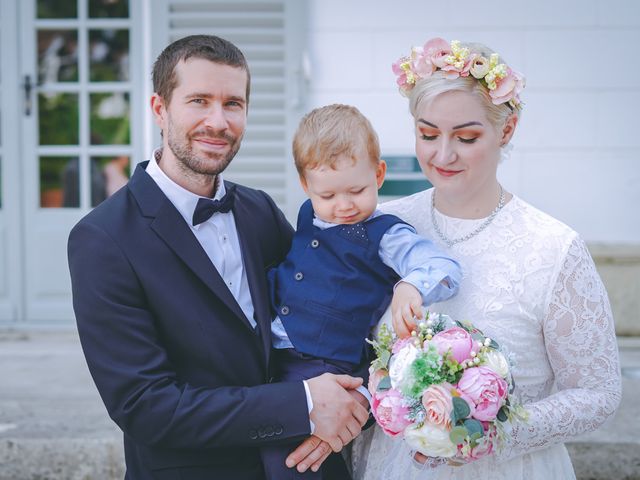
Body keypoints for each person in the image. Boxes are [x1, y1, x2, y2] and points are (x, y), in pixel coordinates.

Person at [67, 34, 369, 480]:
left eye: (233, 104)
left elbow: (334, 306)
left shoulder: (260, 210)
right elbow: (146, 406)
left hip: (307, 464)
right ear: (159, 109)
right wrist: (304, 404)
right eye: (199, 101)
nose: (218, 121)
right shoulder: (102, 238)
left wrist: (355, 398)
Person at [349, 38, 622, 479]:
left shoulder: (552, 247)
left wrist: (490, 433)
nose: (443, 155)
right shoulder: (384, 226)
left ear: (507, 130)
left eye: (467, 136)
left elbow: (598, 393)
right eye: (428, 134)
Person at [260, 104, 462, 479]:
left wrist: (408, 285)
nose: (344, 206)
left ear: (379, 174)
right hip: (270, 361)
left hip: (324, 367)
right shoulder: (306, 215)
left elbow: (445, 268)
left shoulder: (383, 233)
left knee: (289, 459)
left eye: (357, 189)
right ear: (306, 186)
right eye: (328, 195)